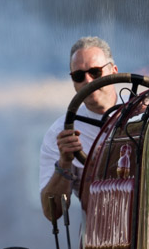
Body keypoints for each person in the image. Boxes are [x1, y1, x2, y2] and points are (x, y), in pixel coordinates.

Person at [39, 36, 119, 221]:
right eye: (79, 75)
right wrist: (65, 163)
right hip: (97, 237)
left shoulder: (146, 114)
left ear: (114, 71)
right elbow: (52, 212)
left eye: (95, 72)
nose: (88, 80)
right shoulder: (60, 133)